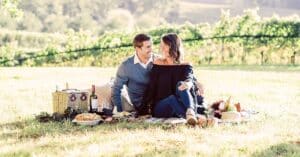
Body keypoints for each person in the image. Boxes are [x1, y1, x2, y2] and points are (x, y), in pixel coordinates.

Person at [142, 33, 200, 125]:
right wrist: (144, 108)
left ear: (173, 46)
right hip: (160, 107)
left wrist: (188, 84)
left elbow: (189, 79)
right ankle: (193, 116)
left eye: (165, 45)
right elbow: (151, 86)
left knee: (181, 84)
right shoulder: (158, 63)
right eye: (161, 45)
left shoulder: (185, 65)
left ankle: (190, 112)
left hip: (179, 104)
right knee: (171, 99)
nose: (162, 48)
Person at [109, 33, 155, 117]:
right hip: (141, 106)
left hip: (158, 101)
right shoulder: (126, 66)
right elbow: (116, 89)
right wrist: (119, 112)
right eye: (148, 47)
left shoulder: (158, 60)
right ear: (138, 49)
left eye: (151, 46)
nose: (151, 49)